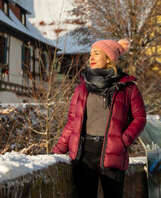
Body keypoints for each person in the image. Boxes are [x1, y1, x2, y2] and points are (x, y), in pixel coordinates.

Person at [52, 39, 146, 198]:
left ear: (109, 58)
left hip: (112, 151)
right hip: (84, 153)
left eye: (96, 53)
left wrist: (123, 140)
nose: (91, 58)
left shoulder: (128, 87)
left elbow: (140, 118)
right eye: (90, 54)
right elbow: (72, 122)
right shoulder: (82, 86)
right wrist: (57, 151)